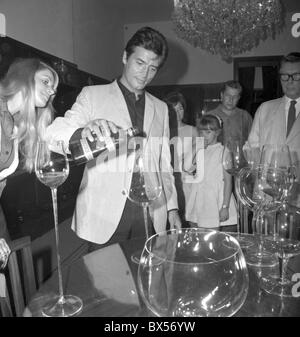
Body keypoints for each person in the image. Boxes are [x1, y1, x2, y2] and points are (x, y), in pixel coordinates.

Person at [46, 26, 181, 249]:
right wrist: (83, 132)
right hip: (104, 216)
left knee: (149, 280)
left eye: (153, 68)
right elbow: (53, 134)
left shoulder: (162, 109)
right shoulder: (92, 95)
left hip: (150, 215)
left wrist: (172, 208)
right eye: (139, 63)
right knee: (104, 282)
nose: (145, 74)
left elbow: (164, 166)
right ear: (125, 57)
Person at [0, 58, 58, 268]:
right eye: (46, 82)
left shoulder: (14, 124)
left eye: (53, 87)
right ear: (24, 76)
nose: (51, 91)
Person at [246, 52, 300, 206]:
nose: (289, 81)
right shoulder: (265, 108)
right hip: (267, 196)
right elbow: (251, 147)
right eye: (285, 76)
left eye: (296, 75)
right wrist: (263, 174)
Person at [185, 115, 237, 231]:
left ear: (217, 133)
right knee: (197, 234)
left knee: (212, 236)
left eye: (208, 132)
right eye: (201, 132)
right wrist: (196, 148)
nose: (204, 136)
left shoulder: (223, 151)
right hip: (199, 197)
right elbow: (187, 168)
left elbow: (228, 182)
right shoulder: (199, 149)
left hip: (214, 199)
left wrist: (225, 206)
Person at [163, 91, 198, 223]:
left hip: (188, 182)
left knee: (190, 220)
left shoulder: (193, 130)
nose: (177, 114)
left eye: (180, 108)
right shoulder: (163, 132)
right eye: (173, 109)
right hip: (169, 182)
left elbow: (200, 160)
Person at [208, 80, 253, 146]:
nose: (231, 100)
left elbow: (253, 143)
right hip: (216, 156)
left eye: (235, 97)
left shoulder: (245, 116)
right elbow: (200, 145)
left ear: (239, 98)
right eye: (228, 95)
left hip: (240, 156)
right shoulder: (209, 116)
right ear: (222, 95)